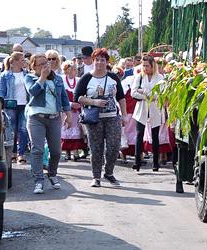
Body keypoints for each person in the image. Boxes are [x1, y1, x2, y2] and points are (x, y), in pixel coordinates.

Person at [74, 49, 126, 187]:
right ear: (93, 61)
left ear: (107, 62)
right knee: (96, 148)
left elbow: (121, 97)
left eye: (102, 60)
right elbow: (77, 98)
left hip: (112, 117)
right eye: (97, 59)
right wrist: (93, 102)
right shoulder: (86, 78)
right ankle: (96, 176)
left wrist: (125, 116)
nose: (99, 62)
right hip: (94, 118)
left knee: (114, 147)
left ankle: (109, 173)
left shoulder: (113, 77)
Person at [25, 51, 71, 194]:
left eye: (47, 62)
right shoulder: (30, 77)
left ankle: (52, 174)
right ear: (34, 66)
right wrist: (42, 78)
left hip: (54, 118)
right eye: (42, 64)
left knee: (56, 151)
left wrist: (68, 114)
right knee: (37, 150)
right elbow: (32, 92)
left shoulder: (57, 79)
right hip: (36, 118)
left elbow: (64, 97)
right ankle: (39, 180)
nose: (46, 65)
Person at [130, 55, 165, 171]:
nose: (145, 68)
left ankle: (155, 163)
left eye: (147, 66)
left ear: (152, 66)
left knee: (155, 136)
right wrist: (147, 96)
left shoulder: (160, 78)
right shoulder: (139, 76)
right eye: (143, 65)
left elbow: (160, 94)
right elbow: (133, 93)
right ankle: (137, 162)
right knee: (139, 135)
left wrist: (144, 92)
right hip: (142, 109)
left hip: (155, 109)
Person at [0, 50, 30, 163]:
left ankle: (21, 154)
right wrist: (0, 105)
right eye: (22, 60)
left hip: (25, 105)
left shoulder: (27, 74)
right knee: (12, 130)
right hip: (10, 105)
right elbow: (1, 91)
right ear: (15, 61)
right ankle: (11, 153)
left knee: (23, 129)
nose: (24, 62)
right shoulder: (5, 75)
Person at [60, 61, 87, 160]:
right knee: (66, 129)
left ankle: (76, 152)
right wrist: (70, 104)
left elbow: (83, 94)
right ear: (66, 70)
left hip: (78, 110)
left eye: (75, 69)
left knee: (77, 130)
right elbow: (60, 95)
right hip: (66, 109)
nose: (73, 71)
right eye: (71, 69)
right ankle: (67, 153)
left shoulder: (79, 80)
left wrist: (79, 104)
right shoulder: (62, 80)